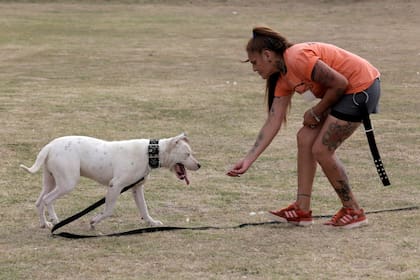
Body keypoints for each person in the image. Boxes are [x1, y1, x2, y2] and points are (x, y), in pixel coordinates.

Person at [226, 26, 382, 229]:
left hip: (362, 87)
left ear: (267, 55)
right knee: (305, 138)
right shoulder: (282, 77)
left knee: (322, 149)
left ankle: (354, 211)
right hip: (342, 93)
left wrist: (317, 111)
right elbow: (273, 121)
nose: (254, 68)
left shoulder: (296, 58)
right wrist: (248, 160)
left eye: (254, 62)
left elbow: (340, 83)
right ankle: (301, 209)